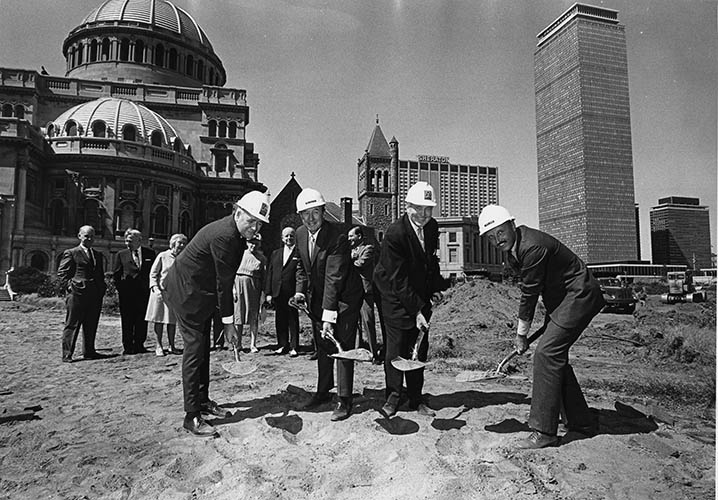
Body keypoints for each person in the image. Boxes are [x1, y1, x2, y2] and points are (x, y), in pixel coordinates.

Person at [478, 204, 605, 449]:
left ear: (512, 225)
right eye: (491, 237)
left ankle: (544, 431)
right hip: (563, 300)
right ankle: (581, 422)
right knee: (554, 356)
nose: (497, 239)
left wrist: (521, 335)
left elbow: (530, 293)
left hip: (579, 295)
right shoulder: (516, 250)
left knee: (546, 353)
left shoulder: (531, 247)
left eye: (501, 232)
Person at [164, 190, 270, 437]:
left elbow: (223, 280)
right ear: (238, 212)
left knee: (202, 349)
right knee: (194, 349)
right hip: (186, 294)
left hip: (200, 293)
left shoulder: (235, 233)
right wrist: (229, 323)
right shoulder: (225, 236)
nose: (255, 228)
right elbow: (225, 282)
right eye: (251, 220)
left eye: (259, 224)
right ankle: (191, 417)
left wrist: (225, 320)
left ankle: (202, 401)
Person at [373, 181, 449, 418]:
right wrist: (416, 311)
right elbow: (398, 279)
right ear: (407, 206)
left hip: (418, 291)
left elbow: (430, 261)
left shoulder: (432, 226)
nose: (425, 215)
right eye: (420, 208)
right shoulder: (395, 233)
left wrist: (435, 288)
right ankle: (393, 397)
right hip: (393, 295)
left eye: (429, 209)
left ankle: (416, 399)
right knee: (395, 349)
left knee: (419, 348)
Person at [293, 187, 363, 421]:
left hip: (344, 299)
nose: (310, 219)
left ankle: (344, 399)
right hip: (318, 298)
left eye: (315, 212)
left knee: (341, 347)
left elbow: (334, 277)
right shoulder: (300, 234)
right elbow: (303, 266)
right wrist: (300, 292)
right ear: (300, 216)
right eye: (305, 214)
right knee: (323, 346)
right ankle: (323, 391)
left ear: (323, 212)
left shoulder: (337, 237)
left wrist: (328, 317)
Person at [57, 225, 108, 362]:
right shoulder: (71, 252)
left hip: (94, 295)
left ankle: (89, 352)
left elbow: (100, 274)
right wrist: (70, 287)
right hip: (77, 294)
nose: (89, 239)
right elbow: (62, 273)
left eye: (92, 236)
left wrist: (101, 288)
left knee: (91, 324)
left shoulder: (97, 254)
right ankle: (67, 354)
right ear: (79, 236)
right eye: (86, 236)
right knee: (72, 324)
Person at [112, 229, 156, 355]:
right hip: (127, 295)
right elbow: (116, 275)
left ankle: (139, 344)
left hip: (144, 294)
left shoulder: (150, 253)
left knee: (142, 319)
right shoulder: (121, 254)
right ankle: (127, 346)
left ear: (139, 240)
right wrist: (121, 290)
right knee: (127, 320)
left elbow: (153, 273)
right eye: (126, 240)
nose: (127, 243)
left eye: (130, 241)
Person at [144, 233, 187, 357]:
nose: (182, 245)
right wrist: (155, 288)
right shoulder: (163, 256)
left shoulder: (183, 258)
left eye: (184, 243)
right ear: (173, 243)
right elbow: (153, 274)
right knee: (159, 320)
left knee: (172, 321)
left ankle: (172, 346)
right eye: (180, 242)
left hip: (175, 294)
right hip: (160, 293)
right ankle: (159, 346)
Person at [264, 226, 300, 357]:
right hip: (277, 292)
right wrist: (268, 293)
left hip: (292, 293)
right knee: (280, 319)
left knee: (293, 319)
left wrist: (299, 292)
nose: (289, 238)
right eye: (286, 236)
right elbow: (270, 273)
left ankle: (294, 346)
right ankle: (282, 344)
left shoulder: (298, 253)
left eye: (291, 235)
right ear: (282, 238)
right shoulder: (276, 253)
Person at [348, 225, 381, 364]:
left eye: (351, 236)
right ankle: (358, 351)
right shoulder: (350, 250)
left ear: (359, 236)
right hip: (352, 291)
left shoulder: (368, 248)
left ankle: (374, 354)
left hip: (365, 291)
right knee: (355, 323)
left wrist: (348, 261)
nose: (349, 239)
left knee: (368, 321)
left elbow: (361, 264)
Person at [233, 234, 267, 353]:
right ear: (247, 243)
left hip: (254, 287)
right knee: (239, 315)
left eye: (256, 243)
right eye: (251, 242)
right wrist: (234, 289)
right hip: (239, 285)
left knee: (253, 316)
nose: (253, 245)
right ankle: (238, 344)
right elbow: (232, 273)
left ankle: (253, 344)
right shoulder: (239, 254)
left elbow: (264, 277)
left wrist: (263, 293)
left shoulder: (261, 258)